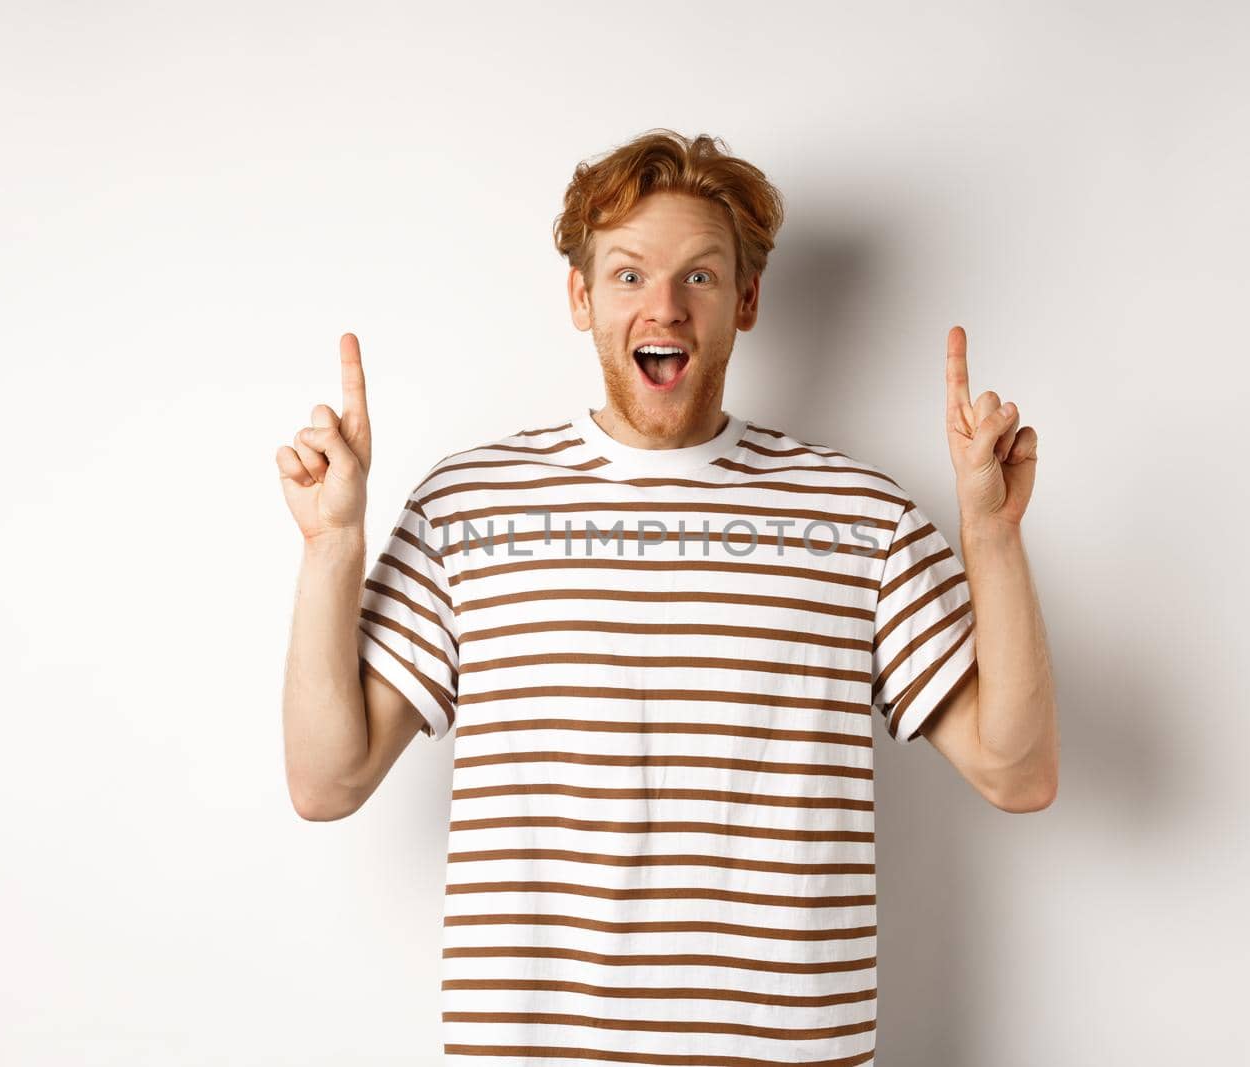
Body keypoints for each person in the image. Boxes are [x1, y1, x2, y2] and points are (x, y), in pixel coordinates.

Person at [277, 129, 1058, 1064]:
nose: (666, 307)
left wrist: (993, 539)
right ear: (580, 296)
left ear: (747, 301)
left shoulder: (863, 515)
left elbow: (1018, 773)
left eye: (700, 277)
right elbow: (327, 780)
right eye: (628, 274)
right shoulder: (468, 506)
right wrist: (333, 547)